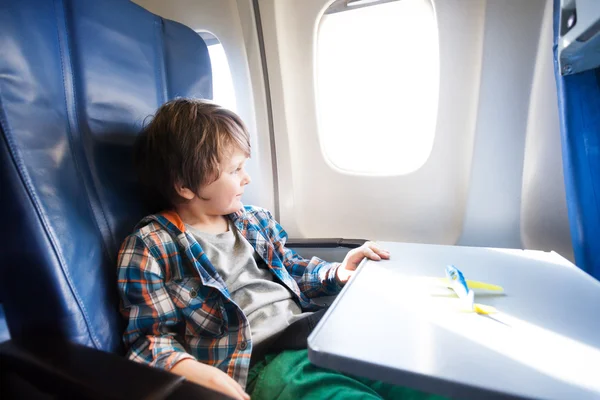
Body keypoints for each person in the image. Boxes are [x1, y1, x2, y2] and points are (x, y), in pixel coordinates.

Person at [117, 98, 445, 400]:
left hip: (312, 331)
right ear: (184, 186)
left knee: (418, 380)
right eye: (235, 170)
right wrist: (199, 374)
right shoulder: (151, 247)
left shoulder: (253, 220)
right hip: (262, 363)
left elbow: (291, 269)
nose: (246, 179)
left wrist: (338, 272)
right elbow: (149, 339)